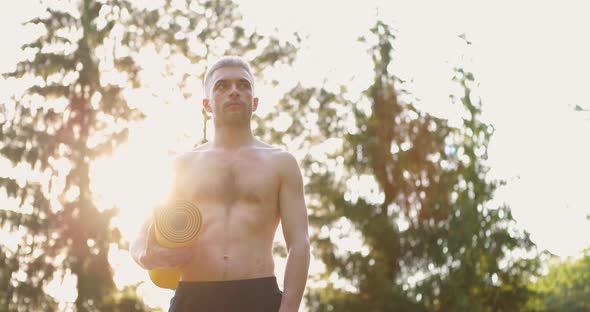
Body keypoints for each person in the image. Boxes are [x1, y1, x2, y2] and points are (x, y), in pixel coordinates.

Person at [130, 56, 310, 312]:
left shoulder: (281, 163)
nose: (234, 91)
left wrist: (289, 308)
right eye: (222, 86)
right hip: (194, 298)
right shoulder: (182, 165)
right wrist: (144, 256)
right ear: (207, 104)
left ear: (255, 102)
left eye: (243, 85)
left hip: (258, 296)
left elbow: (299, 244)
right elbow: (140, 234)